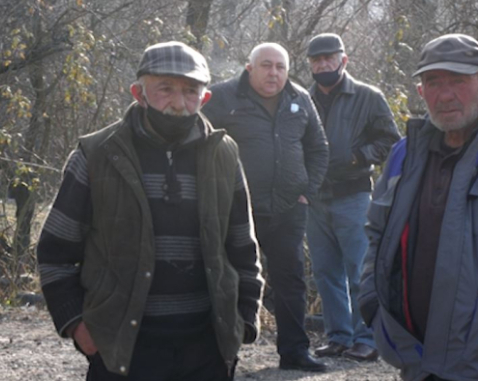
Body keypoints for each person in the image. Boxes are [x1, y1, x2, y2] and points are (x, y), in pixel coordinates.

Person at [37, 41, 263, 380]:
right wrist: (77, 326)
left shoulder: (224, 154)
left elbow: (243, 249)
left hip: (207, 347)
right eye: (165, 89)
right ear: (138, 93)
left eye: (190, 91)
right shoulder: (97, 154)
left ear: (205, 98)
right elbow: (55, 252)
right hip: (123, 348)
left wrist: (243, 321)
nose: (177, 102)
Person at [359, 34, 478, 381]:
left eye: (459, 81)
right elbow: (376, 231)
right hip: (416, 358)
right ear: (421, 92)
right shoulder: (404, 153)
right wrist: (371, 300)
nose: (445, 94)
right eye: (433, 82)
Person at [202, 42, 329, 372]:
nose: (274, 73)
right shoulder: (222, 98)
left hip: (288, 208)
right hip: (234, 209)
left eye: (280, 67)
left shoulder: (300, 98)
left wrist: (308, 192)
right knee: (227, 278)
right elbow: (197, 143)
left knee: (291, 280)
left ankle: (295, 352)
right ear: (250, 68)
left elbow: (318, 148)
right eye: (266, 66)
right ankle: (222, 352)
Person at [304, 34, 400, 362]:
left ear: (343, 60)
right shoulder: (303, 98)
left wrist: (358, 156)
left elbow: (391, 140)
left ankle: (368, 338)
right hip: (314, 199)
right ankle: (338, 337)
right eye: (316, 61)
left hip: (354, 195)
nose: (323, 65)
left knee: (360, 271)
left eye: (329, 58)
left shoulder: (368, 96)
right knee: (326, 272)